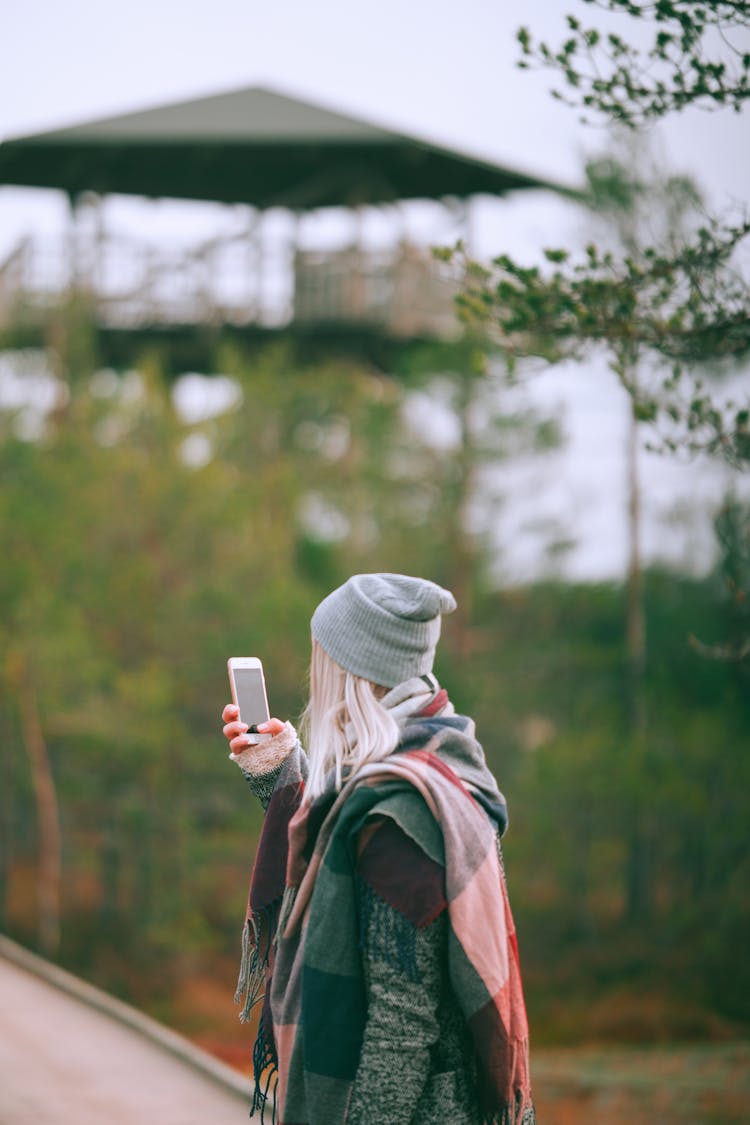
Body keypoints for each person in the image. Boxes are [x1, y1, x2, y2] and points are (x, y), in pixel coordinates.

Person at [221, 573, 535, 1125]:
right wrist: (281, 772)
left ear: (349, 669)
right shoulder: (439, 755)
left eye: (321, 656)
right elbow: (339, 856)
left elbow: (401, 1030)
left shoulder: (399, 815)